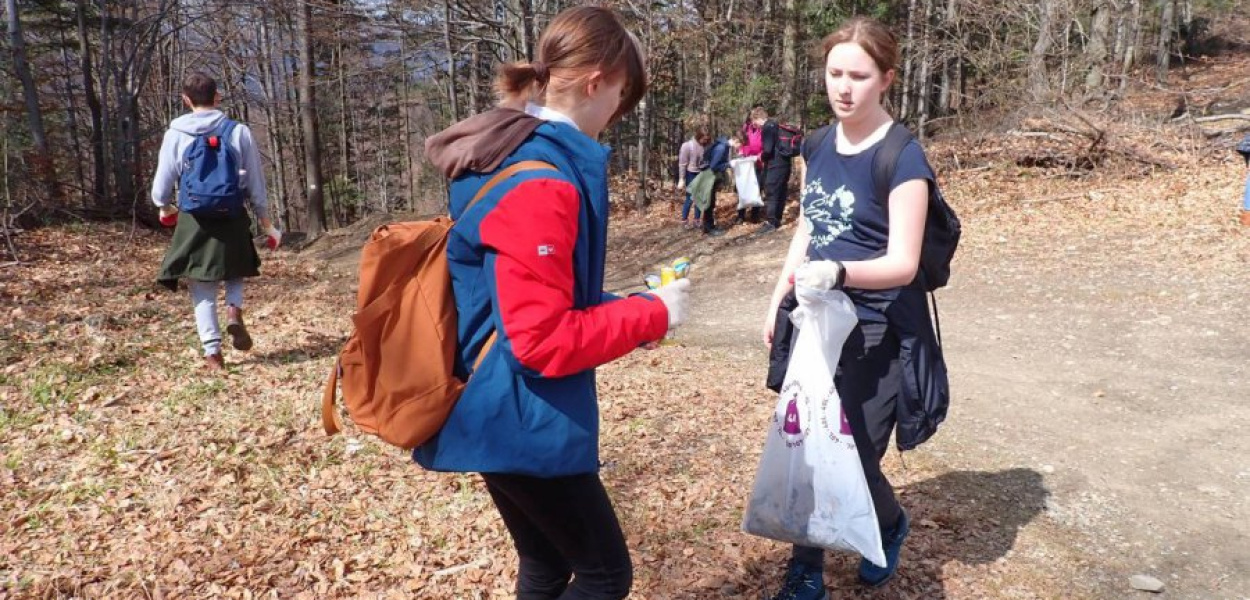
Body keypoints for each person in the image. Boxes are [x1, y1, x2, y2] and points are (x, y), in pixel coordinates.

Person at [417, 7, 693, 599]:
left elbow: (535, 300)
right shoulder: (541, 182)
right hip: (520, 416)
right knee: (602, 574)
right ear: (597, 82)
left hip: (494, 404)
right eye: (622, 96)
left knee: (545, 567)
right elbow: (539, 342)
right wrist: (655, 313)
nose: (619, 114)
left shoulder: (508, 151)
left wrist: (639, 308)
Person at [759, 17, 937, 599]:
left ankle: (888, 524)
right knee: (810, 443)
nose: (843, 87)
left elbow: (904, 262)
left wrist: (841, 272)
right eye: (835, 73)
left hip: (877, 328)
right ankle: (805, 569)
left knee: (855, 451)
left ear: (885, 78)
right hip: (813, 318)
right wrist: (777, 296)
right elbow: (809, 227)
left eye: (858, 76)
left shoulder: (902, 156)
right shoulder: (815, 143)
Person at [151, 72, 279, 371]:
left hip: (195, 218)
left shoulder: (176, 134)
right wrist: (265, 220)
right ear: (216, 96)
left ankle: (213, 354)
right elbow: (256, 184)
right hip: (232, 212)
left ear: (186, 99)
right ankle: (233, 310)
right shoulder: (238, 132)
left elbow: (160, 187)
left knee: (201, 285)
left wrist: (164, 207)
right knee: (235, 268)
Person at [757, 108, 796, 233]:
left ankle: (771, 222)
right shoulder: (776, 125)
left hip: (775, 165)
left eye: (755, 123)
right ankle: (777, 220)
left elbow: (768, 149)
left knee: (772, 192)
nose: (755, 126)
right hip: (785, 163)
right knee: (781, 191)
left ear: (758, 118)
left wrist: (761, 157)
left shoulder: (768, 127)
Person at [735, 108, 767, 225]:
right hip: (746, 163)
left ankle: (755, 215)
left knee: (757, 187)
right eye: (751, 120)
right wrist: (742, 152)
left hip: (759, 163)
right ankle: (740, 215)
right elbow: (742, 141)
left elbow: (765, 146)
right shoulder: (746, 128)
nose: (753, 123)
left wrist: (759, 156)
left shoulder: (763, 129)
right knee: (743, 188)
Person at [677, 128, 710, 229]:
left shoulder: (705, 147)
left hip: (701, 173)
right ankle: (684, 220)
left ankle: (697, 220)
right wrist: (681, 178)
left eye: (707, 139)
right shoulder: (687, 146)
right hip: (690, 173)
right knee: (690, 198)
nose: (706, 141)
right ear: (699, 137)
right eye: (704, 139)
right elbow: (682, 163)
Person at [701, 133, 731, 237]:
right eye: (740, 145)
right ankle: (708, 228)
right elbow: (713, 166)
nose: (739, 148)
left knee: (711, 202)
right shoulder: (721, 148)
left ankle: (710, 226)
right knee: (709, 203)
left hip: (710, 177)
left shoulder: (724, 146)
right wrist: (729, 164)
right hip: (708, 177)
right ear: (736, 141)